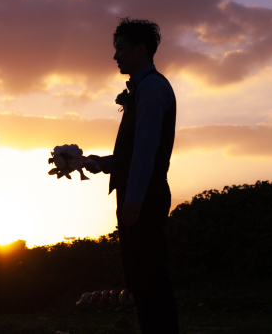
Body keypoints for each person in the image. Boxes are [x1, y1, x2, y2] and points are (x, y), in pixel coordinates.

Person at [84, 19, 179, 333]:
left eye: (120, 49)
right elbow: (133, 151)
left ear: (141, 49)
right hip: (137, 192)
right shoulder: (143, 88)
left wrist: (134, 200)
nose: (115, 57)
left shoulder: (152, 87)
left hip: (146, 194)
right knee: (139, 278)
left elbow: (147, 149)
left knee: (150, 275)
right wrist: (99, 163)